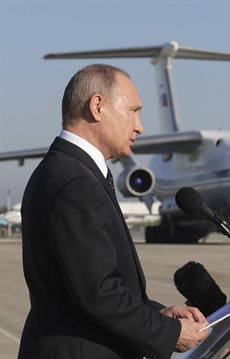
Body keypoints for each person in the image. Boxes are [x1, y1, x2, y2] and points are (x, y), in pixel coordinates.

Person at [18, 64, 208, 359]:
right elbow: (100, 294)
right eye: (133, 110)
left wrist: (160, 314)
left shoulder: (65, 169)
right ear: (97, 106)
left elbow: (91, 286)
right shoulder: (76, 182)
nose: (139, 126)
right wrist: (169, 334)